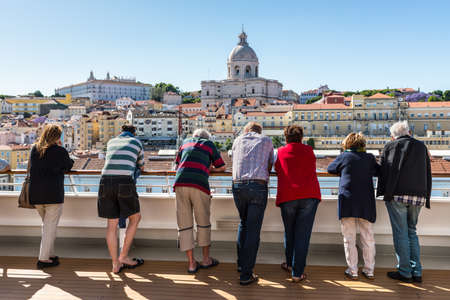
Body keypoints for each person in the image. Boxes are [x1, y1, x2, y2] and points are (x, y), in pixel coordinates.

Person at [377, 121, 431, 283]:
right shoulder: (422, 147)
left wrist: (383, 193)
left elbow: (383, 171)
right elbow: (428, 171)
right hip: (419, 195)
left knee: (401, 233)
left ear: (393, 135)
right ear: (409, 132)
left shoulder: (390, 146)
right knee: (412, 231)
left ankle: (405, 272)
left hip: (397, 195)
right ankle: (417, 272)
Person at [327, 132, 379, 280]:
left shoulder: (344, 156)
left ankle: (353, 270)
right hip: (366, 202)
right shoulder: (369, 158)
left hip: (348, 201)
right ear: (363, 144)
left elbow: (331, 168)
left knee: (349, 237)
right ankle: (369, 270)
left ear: (347, 144)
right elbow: (379, 171)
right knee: (367, 237)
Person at [174, 128, 225, 274]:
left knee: (184, 224)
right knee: (203, 222)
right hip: (199, 185)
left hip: (180, 184)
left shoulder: (184, 143)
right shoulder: (209, 144)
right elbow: (222, 166)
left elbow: (177, 165)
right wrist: (208, 169)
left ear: (193, 136)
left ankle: (191, 264)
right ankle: (206, 260)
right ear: (206, 138)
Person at [274, 125, 321, 282]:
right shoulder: (308, 150)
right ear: (301, 137)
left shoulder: (280, 151)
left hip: (288, 196)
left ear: (286, 137)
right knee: (303, 235)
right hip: (309, 195)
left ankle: (289, 264)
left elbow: (278, 168)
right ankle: (297, 272)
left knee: (290, 232)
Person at [98, 124, 145, 274]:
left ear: (121, 132)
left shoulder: (111, 142)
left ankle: (115, 264)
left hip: (105, 181)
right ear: (134, 133)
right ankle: (123, 257)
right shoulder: (136, 142)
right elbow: (141, 166)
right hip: (124, 182)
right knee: (135, 218)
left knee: (111, 225)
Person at [232, 122, 274, 285]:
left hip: (238, 185)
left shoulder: (237, 140)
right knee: (253, 230)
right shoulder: (266, 140)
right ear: (259, 131)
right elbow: (271, 162)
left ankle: (242, 265)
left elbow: (232, 156)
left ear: (246, 131)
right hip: (258, 185)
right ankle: (246, 275)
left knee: (243, 223)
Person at [29, 124, 74, 269]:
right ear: (57, 137)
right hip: (53, 194)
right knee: (49, 227)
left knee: (47, 226)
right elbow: (69, 165)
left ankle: (50, 253)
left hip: (36, 193)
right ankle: (43, 259)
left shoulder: (35, 149)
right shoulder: (59, 151)